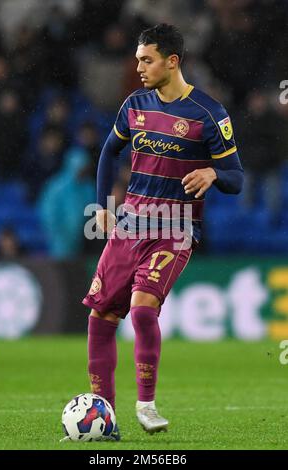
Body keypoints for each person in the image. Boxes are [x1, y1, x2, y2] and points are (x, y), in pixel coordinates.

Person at [82, 23, 243, 439]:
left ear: (172, 61)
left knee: (141, 309)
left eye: (146, 59)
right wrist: (102, 206)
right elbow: (108, 153)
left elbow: (236, 178)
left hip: (174, 228)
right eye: (138, 59)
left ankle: (147, 405)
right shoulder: (135, 104)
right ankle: (104, 419)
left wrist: (212, 171)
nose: (138, 67)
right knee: (100, 318)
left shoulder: (208, 113)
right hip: (131, 224)